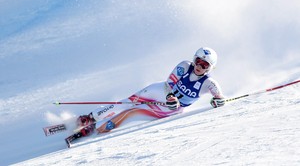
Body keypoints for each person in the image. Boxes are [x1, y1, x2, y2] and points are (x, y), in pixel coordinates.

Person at [75, 47, 225, 137]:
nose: (199, 66)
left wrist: (218, 101)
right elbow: (169, 83)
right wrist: (170, 96)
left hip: (172, 108)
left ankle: (96, 128)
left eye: (204, 64)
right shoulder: (185, 66)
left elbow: (220, 98)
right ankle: (91, 117)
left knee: (134, 112)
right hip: (162, 92)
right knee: (127, 102)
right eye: (198, 61)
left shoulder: (209, 83)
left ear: (210, 68)